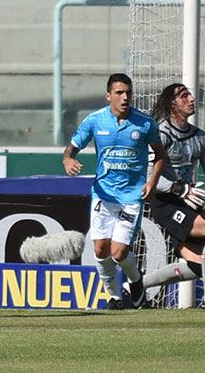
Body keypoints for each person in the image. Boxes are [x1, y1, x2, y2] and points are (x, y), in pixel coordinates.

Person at [63, 73, 167, 309]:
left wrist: (151, 182)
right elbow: (71, 149)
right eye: (119, 93)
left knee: (118, 252)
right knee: (100, 250)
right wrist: (68, 159)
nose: (125, 97)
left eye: (128, 92)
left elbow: (160, 155)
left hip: (131, 197)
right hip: (103, 195)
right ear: (108, 95)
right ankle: (114, 297)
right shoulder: (94, 120)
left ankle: (137, 280)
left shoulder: (144, 123)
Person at [141, 83, 205, 309]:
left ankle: (138, 286)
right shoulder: (161, 134)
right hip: (166, 203)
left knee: (199, 266)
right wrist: (180, 189)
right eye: (183, 95)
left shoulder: (200, 137)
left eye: (190, 94)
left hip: (189, 203)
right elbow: (148, 177)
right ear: (172, 104)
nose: (191, 99)